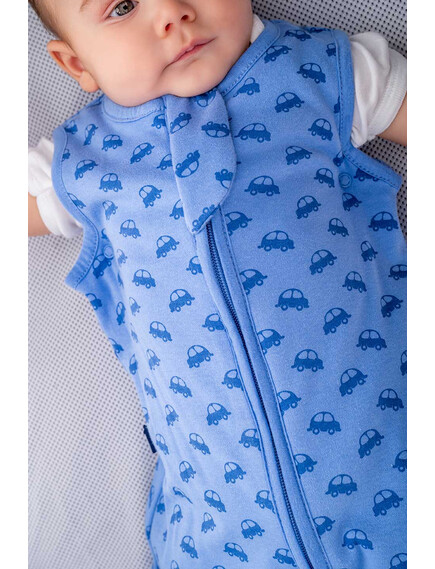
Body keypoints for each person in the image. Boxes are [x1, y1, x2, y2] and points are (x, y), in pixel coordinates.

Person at [28, 1, 407, 568]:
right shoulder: (82, 163)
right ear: (78, 64)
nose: (173, 14)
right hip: (218, 533)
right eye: (122, 7)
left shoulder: (319, 73)